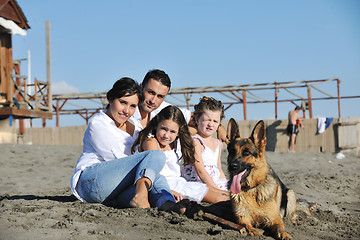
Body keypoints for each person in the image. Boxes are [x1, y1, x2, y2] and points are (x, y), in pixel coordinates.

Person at [70, 77, 186, 213]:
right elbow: (120, 159)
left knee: (156, 178)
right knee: (155, 156)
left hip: (115, 191)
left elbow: (143, 167)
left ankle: (169, 205)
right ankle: (141, 195)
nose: (126, 110)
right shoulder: (99, 124)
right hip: (92, 183)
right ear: (111, 99)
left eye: (132, 106)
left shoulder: (134, 125)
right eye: (122, 102)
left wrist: (162, 186)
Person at [131, 105, 229, 204]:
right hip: (165, 185)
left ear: (178, 132)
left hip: (180, 182)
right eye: (164, 129)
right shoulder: (151, 141)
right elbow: (153, 171)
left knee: (216, 191)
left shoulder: (175, 141)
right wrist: (168, 191)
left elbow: (200, 127)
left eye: (172, 131)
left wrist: (219, 127)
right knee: (216, 197)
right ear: (156, 125)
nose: (166, 135)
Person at [129, 69, 227, 141]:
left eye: (160, 96)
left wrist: (219, 127)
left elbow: (198, 117)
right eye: (151, 92)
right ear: (141, 87)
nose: (153, 101)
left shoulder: (162, 109)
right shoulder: (126, 109)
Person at [182, 97, 228, 190]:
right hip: (198, 183)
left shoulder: (218, 143)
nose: (210, 124)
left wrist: (224, 185)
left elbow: (219, 169)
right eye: (207, 120)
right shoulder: (196, 142)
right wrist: (217, 191)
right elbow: (200, 171)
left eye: (215, 121)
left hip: (214, 183)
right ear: (197, 119)